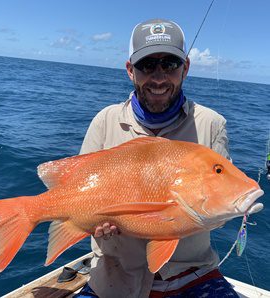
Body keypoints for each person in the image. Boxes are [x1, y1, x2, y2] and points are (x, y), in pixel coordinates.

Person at [74, 18, 239, 298]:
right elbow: (78, 192)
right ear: (130, 70)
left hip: (193, 276)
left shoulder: (211, 124)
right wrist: (92, 222)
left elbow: (221, 208)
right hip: (115, 277)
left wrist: (178, 211)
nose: (159, 77)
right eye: (147, 65)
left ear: (185, 68)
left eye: (170, 65)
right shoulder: (105, 121)